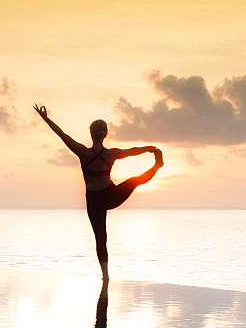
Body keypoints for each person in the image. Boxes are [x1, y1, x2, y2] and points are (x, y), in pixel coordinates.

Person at [35, 105, 163, 281]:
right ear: (105, 134)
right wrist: (148, 148)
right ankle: (156, 166)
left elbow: (62, 135)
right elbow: (132, 151)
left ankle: (106, 276)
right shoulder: (111, 154)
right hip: (110, 195)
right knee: (135, 181)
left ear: (91, 134)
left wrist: (46, 119)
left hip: (94, 200)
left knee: (100, 238)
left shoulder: (83, 152)